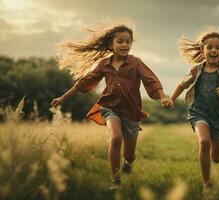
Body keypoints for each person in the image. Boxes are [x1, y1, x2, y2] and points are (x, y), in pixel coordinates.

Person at [51, 19, 169, 189]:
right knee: (115, 138)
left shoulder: (136, 63)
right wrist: (63, 98)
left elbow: (152, 80)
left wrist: (162, 97)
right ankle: (116, 180)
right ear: (110, 44)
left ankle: (127, 162)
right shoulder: (104, 64)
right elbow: (84, 82)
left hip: (132, 111)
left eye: (128, 42)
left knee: (130, 155)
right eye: (120, 41)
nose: (124, 45)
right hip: (109, 107)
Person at [164, 28, 219, 193]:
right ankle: (206, 183)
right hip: (198, 113)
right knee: (204, 142)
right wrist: (171, 98)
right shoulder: (196, 70)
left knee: (217, 157)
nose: (213, 50)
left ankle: (212, 163)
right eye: (209, 47)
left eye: (217, 47)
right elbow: (182, 84)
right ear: (202, 50)